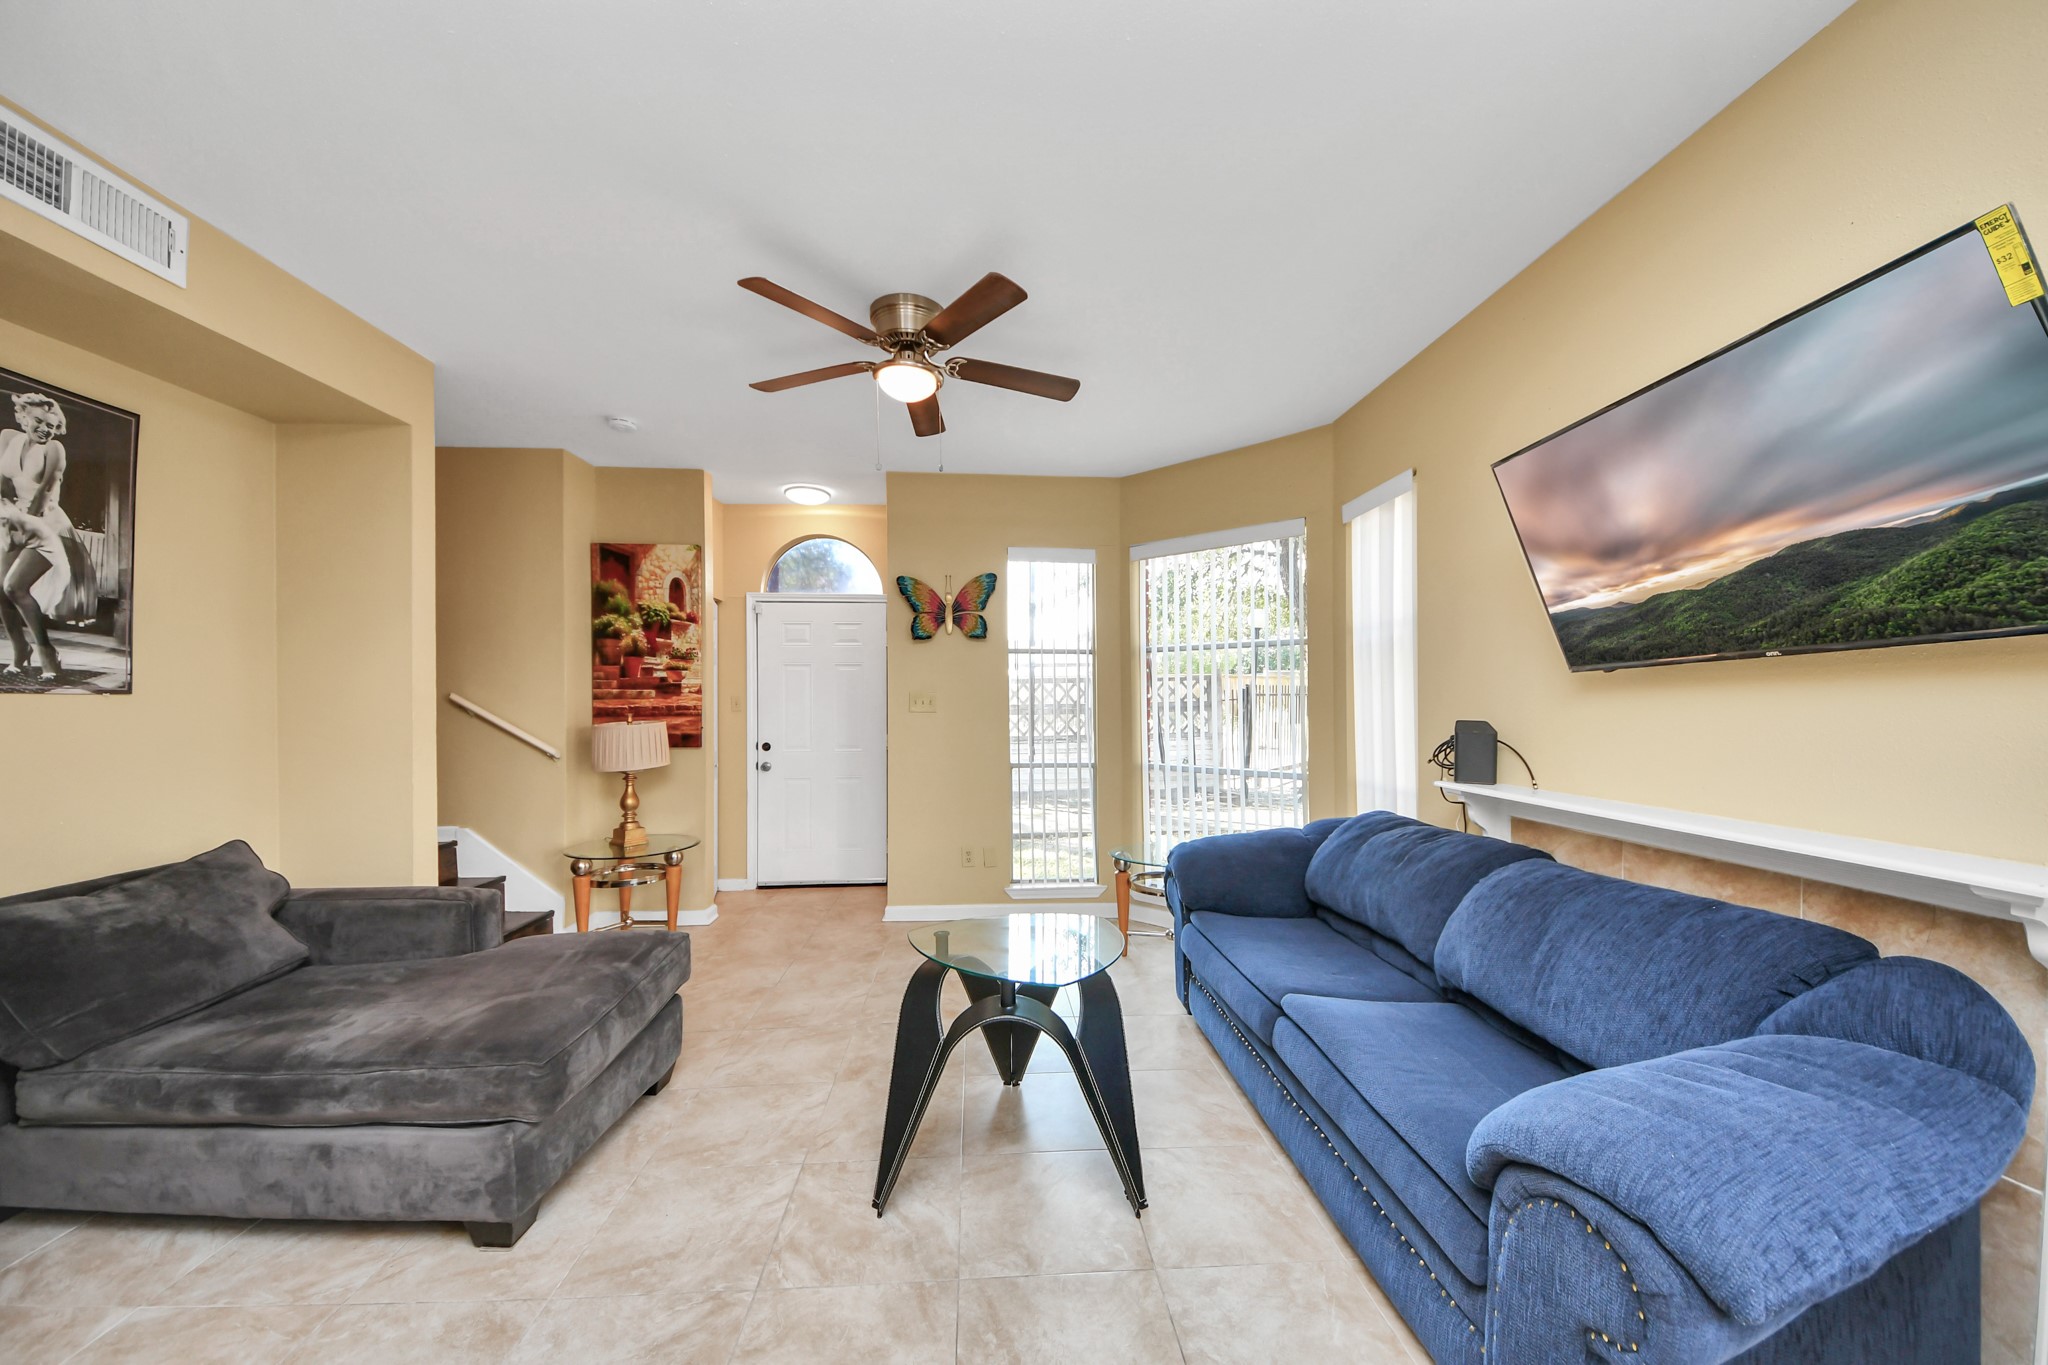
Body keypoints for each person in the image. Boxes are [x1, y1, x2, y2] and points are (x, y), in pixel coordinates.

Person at [0, 392, 81, 681]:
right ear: (22, 417)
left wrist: (25, 525)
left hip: (46, 525)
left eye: (51, 424)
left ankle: (46, 651)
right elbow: (2, 484)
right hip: (16, 519)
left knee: (14, 587)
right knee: (0, 591)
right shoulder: (8, 438)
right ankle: (20, 651)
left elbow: (46, 490)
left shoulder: (55, 449)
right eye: (39, 421)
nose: (46, 429)